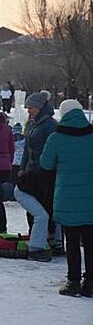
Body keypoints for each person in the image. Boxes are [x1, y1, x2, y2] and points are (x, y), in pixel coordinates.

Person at [40, 99, 93, 297]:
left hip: (68, 198)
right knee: (90, 241)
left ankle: (73, 282)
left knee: (71, 241)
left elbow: (46, 165)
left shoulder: (56, 138)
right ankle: (91, 283)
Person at [15, 169, 58, 262]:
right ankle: (35, 250)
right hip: (23, 191)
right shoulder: (51, 182)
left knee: (43, 216)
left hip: (29, 188)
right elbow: (47, 205)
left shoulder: (53, 178)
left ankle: (39, 244)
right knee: (41, 216)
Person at [20, 91, 56, 174]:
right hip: (31, 170)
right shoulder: (31, 124)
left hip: (43, 172)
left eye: (31, 108)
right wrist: (22, 168)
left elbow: (51, 151)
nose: (28, 111)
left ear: (39, 108)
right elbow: (27, 149)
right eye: (27, 108)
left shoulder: (50, 125)